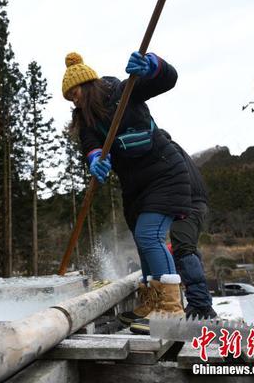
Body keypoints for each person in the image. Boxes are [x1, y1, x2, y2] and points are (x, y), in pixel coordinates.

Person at [62, 51, 192, 334]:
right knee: (142, 242)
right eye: (69, 96)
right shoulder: (86, 121)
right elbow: (90, 146)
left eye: (76, 92)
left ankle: (170, 310)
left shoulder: (124, 91)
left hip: (164, 174)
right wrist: (96, 160)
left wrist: (154, 66)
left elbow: (168, 80)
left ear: (89, 84)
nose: (74, 99)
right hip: (134, 186)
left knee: (149, 236)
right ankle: (150, 303)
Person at [163, 131, 217, 319]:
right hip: (196, 203)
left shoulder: (168, 151)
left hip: (188, 204)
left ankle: (200, 305)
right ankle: (200, 301)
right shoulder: (179, 150)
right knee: (189, 249)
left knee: (184, 249)